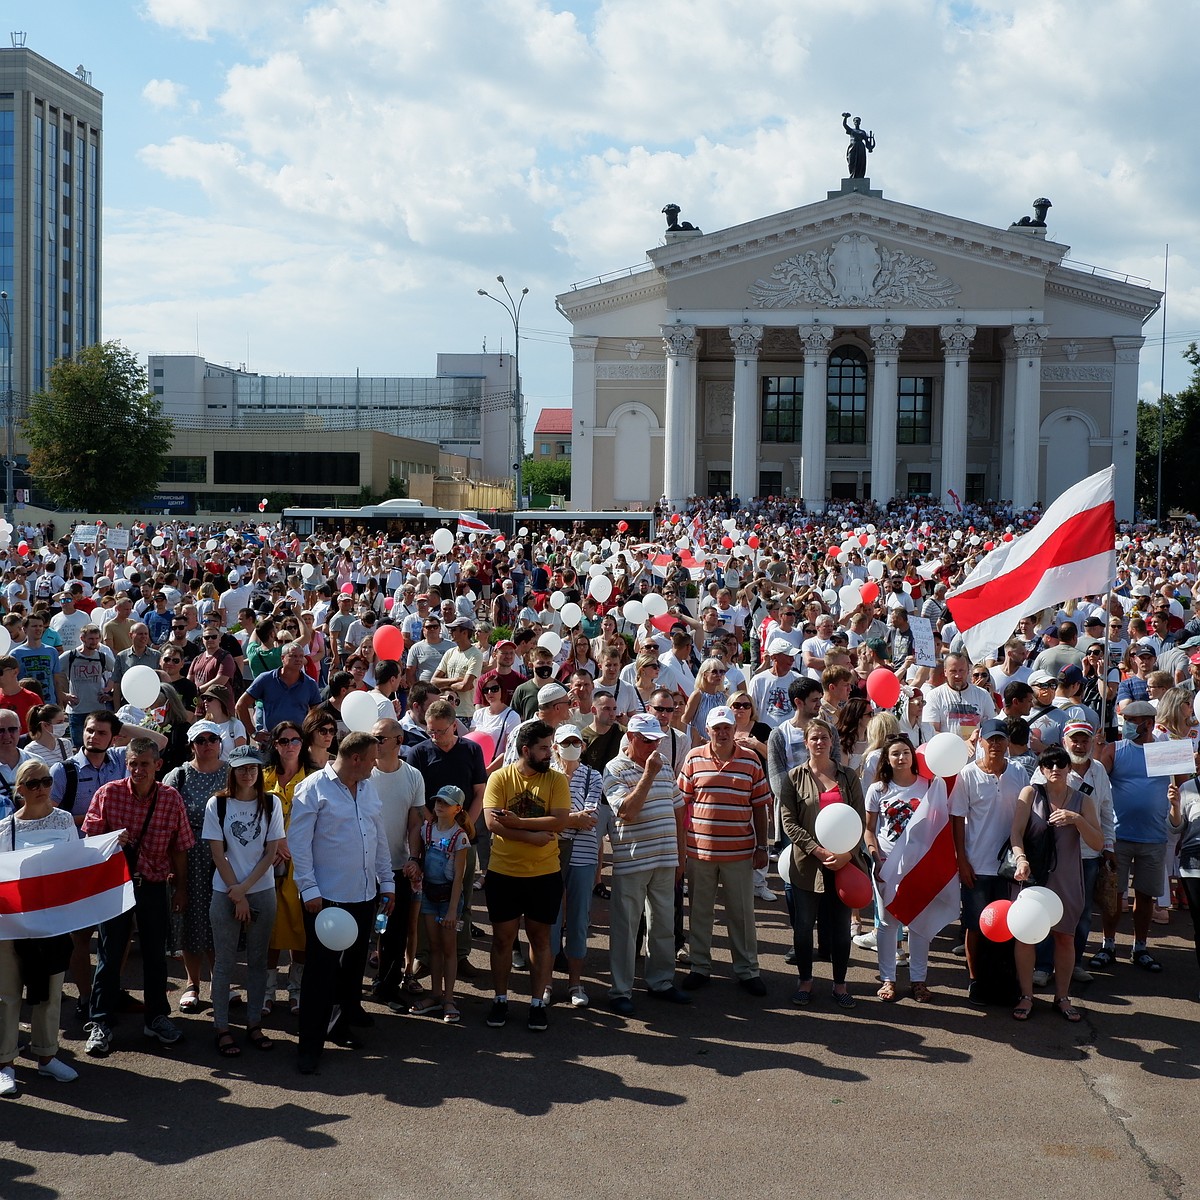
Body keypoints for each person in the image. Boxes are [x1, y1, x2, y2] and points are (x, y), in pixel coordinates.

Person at [288, 730, 395, 1076]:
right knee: (320, 974)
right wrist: (309, 890)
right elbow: (299, 844)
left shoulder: (367, 788)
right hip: (326, 900)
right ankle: (309, 1046)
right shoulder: (313, 788)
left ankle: (340, 1025)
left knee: (352, 971)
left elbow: (377, 839)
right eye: (373, 758)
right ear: (356, 759)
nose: (376, 765)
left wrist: (388, 883)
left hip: (363, 895)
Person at [81, 737, 194, 1057]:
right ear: (125, 764)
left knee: (156, 956)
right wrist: (111, 838)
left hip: (154, 886)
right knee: (109, 955)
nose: (138, 770)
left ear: (158, 765)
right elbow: (90, 840)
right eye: (133, 763)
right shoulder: (109, 794)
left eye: (145, 764)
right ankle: (100, 1021)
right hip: (116, 886)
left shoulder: (171, 799)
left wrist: (181, 889)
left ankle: (156, 1017)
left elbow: (180, 848)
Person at [482, 719, 591, 1031]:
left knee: (540, 938)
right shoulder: (500, 778)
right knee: (503, 939)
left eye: (550, 746)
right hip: (503, 873)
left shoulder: (557, 780)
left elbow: (558, 822)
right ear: (526, 750)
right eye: (544, 748)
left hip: (544, 874)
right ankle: (500, 999)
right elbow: (492, 824)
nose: (549, 753)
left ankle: (536, 1003)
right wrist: (530, 834)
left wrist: (516, 823)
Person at [676, 705, 771, 995]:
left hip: (740, 852)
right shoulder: (693, 758)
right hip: (699, 851)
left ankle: (747, 970)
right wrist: (681, 850)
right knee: (701, 912)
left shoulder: (751, 760)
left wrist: (762, 846)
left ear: (734, 729)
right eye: (717, 728)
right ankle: (700, 966)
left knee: (741, 914)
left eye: (727, 727)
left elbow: (760, 807)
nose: (722, 732)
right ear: (708, 730)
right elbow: (681, 805)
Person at [603, 712, 690, 1016]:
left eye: (657, 740)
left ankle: (661, 981)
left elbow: (678, 810)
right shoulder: (614, 768)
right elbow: (627, 810)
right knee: (626, 927)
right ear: (630, 737)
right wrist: (648, 774)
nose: (654, 746)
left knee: (664, 923)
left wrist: (682, 854)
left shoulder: (662, 763)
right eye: (647, 740)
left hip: (666, 857)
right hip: (633, 859)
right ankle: (620, 990)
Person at [1009, 744, 1104, 1021]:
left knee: (1065, 938)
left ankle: (1062, 997)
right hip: (1033, 877)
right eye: (1049, 765)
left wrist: (1076, 819)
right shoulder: (1030, 793)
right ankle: (1026, 996)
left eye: (1060, 765)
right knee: (1026, 937)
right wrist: (1021, 859)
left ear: (1068, 769)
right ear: (1041, 770)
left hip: (1067, 880)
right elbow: (1015, 833)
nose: (1055, 770)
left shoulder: (1082, 800)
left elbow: (1097, 843)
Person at [0, 760, 79, 1093]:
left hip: (52, 923)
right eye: (32, 783)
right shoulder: (5, 829)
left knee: (50, 993)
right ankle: (5, 1063)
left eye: (45, 781)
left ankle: (46, 1057)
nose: (41, 788)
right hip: (13, 925)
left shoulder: (64, 821)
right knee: (7, 995)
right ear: (20, 790)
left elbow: (76, 866)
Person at [778, 718, 867, 1008]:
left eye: (824, 738)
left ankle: (840, 986)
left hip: (844, 864)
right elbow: (788, 821)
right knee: (803, 927)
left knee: (841, 930)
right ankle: (805, 982)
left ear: (832, 742)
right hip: (807, 865)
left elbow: (858, 818)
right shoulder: (793, 777)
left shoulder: (848, 776)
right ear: (806, 742)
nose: (819, 742)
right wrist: (816, 850)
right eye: (814, 738)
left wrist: (845, 855)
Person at [203, 748, 285, 1056]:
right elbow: (216, 853)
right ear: (232, 771)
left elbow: (270, 852)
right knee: (224, 963)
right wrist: (236, 891)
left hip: (260, 889)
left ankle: (254, 1024)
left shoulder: (271, 802)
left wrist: (246, 889)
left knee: (257, 961)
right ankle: (222, 1027)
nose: (247, 773)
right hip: (224, 890)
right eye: (241, 768)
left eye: (252, 768)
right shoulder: (219, 803)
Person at [1091, 700, 1174, 973]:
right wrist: (1096, 751)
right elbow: (1096, 779)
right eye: (1124, 719)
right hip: (1119, 837)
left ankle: (1140, 947)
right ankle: (1108, 945)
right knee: (1114, 894)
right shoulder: (1115, 749)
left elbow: (1184, 783)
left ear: (1148, 723)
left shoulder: (1164, 751)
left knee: (1146, 896)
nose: (1125, 725)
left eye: (1131, 720)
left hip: (1154, 836)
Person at [949, 718, 1026, 1003]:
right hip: (977, 865)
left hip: (1009, 867)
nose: (995, 744)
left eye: (1000, 739)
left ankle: (1005, 981)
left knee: (1008, 927)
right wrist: (962, 861)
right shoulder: (967, 775)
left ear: (1007, 743)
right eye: (990, 739)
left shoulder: (1019, 772)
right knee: (975, 926)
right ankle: (975, 980)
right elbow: (957, 819)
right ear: (980, 741)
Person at [164, 721, 230, 1014]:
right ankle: (192, 983)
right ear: (192, 745)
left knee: (221, 920)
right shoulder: (178, 775)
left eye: (212, 738)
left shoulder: (232, 773)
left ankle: (221, 982)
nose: (206, 744)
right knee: (191, 919)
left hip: (225, 857)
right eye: (200, 740)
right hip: (188, 857)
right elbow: (164, 818)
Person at [864, 735, 936, 1002]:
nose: (901, 758)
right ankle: (888, 979)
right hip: (886, 865)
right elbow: (869, 830)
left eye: (906, 752)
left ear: (913, 756)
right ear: (887, 758)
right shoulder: (878, 790)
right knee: (887, 922)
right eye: (895, 753)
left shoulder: (927, 786)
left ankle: (918, 981)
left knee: (918, 924)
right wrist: (875, 856)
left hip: (919, 866)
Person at [548, 724, 607, 1007]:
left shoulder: (593, 775)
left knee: (578, 921)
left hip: (583, 856)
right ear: (555, 746)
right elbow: (547, 815)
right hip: (548, 855)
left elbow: (591, 816)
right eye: (564, 742)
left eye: (575, 741)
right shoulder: (546, 775)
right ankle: (545, 983)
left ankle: (575, 984)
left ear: (582, 746)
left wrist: (561, 820)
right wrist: (571, 820)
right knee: (549, 918)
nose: (570, 746)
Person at [370, 718, 426, 1010]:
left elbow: (415, 820)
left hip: (398, 867)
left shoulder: (413, 776)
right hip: (363, 866)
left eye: (381, 738)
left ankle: (386, 987)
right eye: (373, 737)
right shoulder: (363, 774)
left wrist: (414, 859)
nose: (375, 743)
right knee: (360, 931)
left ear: (399, 741)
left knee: (395, 932)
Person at [409, 785, 472, 1024]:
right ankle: (435, 995)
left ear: (458, 808)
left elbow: (459, 877)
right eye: (438, 801)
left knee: (449, 949)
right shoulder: (427, 830)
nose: (440, 805)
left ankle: (449, 998)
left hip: (449, 899)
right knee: (434, 947)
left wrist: (454, 910)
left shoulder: (460, 837)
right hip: (429, 895)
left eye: (446, 803)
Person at [262, 720, 309, 1016]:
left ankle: (297, 989)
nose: (289, 746)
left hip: (302, 865)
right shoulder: (262, 778)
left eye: (294, 740)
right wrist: (275, 844)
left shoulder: (314, 779)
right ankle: (267, 990)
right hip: (267, 863)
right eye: (283, 741)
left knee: (299, 928)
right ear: (275, 745)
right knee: (268, 928)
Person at [236, 643, 320, 742]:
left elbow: (316, 713)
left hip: (299, 742)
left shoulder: (310, 684)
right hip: (272, 741)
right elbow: (241, 705)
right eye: (293, 656)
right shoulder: (266, 679)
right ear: (282, 658)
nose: (298, 659)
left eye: (301, 656)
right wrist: (253, 733)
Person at [842, 112, 875, 177]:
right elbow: (845, 125)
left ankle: (859, 176)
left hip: (860, 148)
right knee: (851, 162)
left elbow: (867, 142)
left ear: (860, 122)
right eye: (855, 121)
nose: (857, 122)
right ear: (854, 122)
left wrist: (870, 147)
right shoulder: (851, 130)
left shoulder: (862, 132)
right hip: (852, 147)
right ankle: (852, 175)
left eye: (858, 121)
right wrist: (845, 117)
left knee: (860, 162)